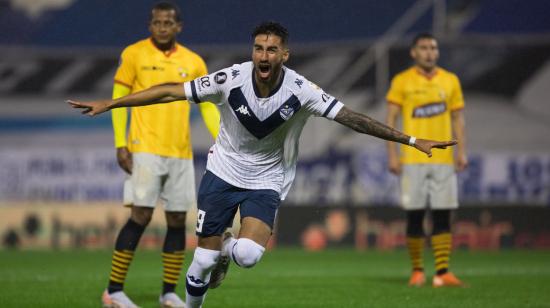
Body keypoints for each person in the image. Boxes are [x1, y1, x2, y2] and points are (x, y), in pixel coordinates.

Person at [69, 22, 456, 307]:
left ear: (284, 55)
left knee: (249, 256)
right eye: (258, 48)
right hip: (222, 173)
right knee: (202, 260)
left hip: (267, 179)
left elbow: (352, 118)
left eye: (272, 50)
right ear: (252, 51)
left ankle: (225, 251)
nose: (264, 55)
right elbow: (171, 91)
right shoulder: (229, 78)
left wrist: (410, 139)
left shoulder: (302, 90)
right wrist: (111, 104)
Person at [100, 2, 220, 308]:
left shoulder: (193, 61)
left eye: (168, 23)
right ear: (150, 25)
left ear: (178, 26)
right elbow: (119, 98)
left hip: (180, 152)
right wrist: (120, 143)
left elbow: (206, 105)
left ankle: (168, 292)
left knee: (178, 220)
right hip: (144, 149)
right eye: (156, 22)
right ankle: (113, 291)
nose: (162, 27)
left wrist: (222, 139)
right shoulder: (134, 54)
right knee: (140, 215)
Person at [385, 33, 468, 287]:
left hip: (444, 160)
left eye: (433, 48)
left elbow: (457, 119)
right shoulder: (402, 81)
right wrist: (393, 155)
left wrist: (461, 151)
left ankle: (442, 272)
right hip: (412, 159)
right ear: (414, 52)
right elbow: (390, 121)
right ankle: (418, 270)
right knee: (415, 215)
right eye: (424, 48)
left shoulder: (450, 80)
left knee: (443, 214)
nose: (429, 52)